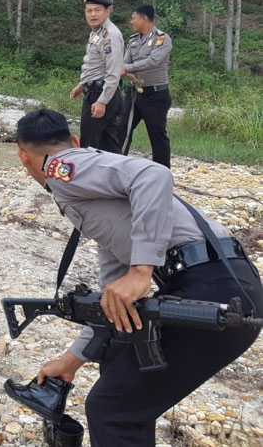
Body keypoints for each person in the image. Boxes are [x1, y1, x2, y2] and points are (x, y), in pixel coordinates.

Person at [14, 108, 262, 446]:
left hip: (211, 291)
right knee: (117, 366)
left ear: (23, 156)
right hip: (222, 284)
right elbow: (113, 298)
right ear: (74, 139)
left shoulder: (58, 168)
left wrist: (142, 269)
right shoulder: (100, 203)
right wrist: (71, 362)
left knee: (112, 409)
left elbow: (154, 175)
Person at [69, 0, 123, 152]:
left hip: (101, 93)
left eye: (97, 10)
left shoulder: (110, 35)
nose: (92, 14)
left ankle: (91, 177)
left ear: (107, 12)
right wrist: (82, 85)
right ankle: (116, 176)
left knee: (89, 145)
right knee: (109, 144)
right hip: (95, 89)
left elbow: (113, 72)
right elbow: (95, 64)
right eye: (89, 11)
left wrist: (102, 101)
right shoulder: (98, 32)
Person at [120, 5, 173, 167]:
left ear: (144, 19)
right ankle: (117, 166)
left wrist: (128, 68)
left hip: (155, 95)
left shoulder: (162, 39)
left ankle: (161, 172)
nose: (131, 22)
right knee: (121, 129)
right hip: (134, 93)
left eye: (133, 18)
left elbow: (153, 61)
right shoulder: (133, 39)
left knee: (157, 135)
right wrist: (127, 68)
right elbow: (125, 61)